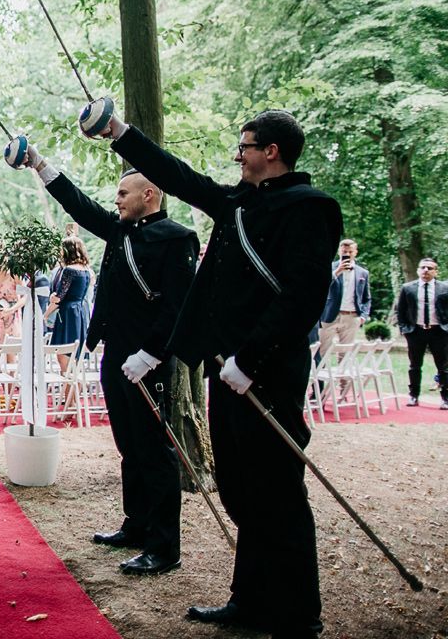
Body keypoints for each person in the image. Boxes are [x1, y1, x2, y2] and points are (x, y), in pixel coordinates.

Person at [91, 107, 341, 638]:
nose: (238, 155)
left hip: (267, 370)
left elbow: (302, 296)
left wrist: (251, 358)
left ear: (271, 151)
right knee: (239, 488)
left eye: (245, 146)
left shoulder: (311, 208)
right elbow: (178, 174)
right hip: (227, 370)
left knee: (277, 493)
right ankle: (250, 600)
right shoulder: (237, 202)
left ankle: (298, 618)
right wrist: (119, 133)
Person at [7, 147, 198, 575]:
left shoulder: (176, 238)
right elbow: (76, 201)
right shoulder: (119, 231)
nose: (116, 200)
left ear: (149, 195)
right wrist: (40, 165)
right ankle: (137, 524)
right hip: (116, 355)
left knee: (156, 452)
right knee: (129, 445)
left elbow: (178, 308)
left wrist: (151, 355)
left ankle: (165, 547)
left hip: (149, 360)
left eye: (122, 193)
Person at [395, 258, 448, 408]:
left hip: (439, 331)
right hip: (415, 331)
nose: (426, 270)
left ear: (436, 272)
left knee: (443, 367)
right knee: (414, 365)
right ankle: (413, 396)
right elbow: (401, 311)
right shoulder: (408, 288)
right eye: (423, 267)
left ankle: (445, 398)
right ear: (418, 270)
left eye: (430, 268)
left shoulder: (444, 288)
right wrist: (405, 329)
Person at [43, 236, 92, 375]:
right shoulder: (86, 270)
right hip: (79, 312)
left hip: (67, 314)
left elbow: (59, 297)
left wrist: (45, 315)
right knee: (75, 359)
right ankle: (72, 396)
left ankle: (69, 396)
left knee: (64, 357)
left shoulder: (69, 270)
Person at [317, 238, 371, 359]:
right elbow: (320, 287)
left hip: (352, 317)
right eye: (344, 252)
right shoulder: (329, 267)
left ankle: (343, 378)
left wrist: (363, 316)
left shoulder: (363, 273)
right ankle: (320, 377)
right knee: (322, 351)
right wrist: (337, 272)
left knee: (346, 354)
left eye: (350, 252)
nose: (347, 254)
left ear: (355, 252)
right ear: (339, 252)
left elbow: (366, 298)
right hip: (329, 315)